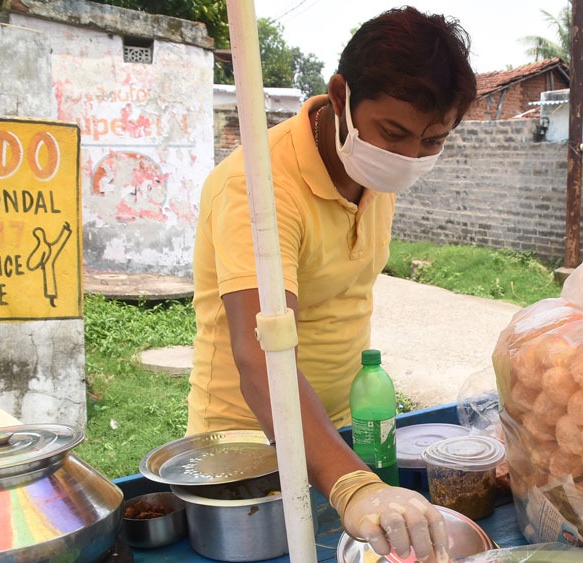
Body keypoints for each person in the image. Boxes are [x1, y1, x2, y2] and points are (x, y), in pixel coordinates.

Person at [186, 6, 477, 560]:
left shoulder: (373, 170)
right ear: (340, 95)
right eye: (393, 133)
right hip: (251, 450)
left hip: (337, 436)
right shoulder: (257, 188)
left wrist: (351, 469)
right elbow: (258, 356)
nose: (408, 157)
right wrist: (352, 485)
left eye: (433, 140)